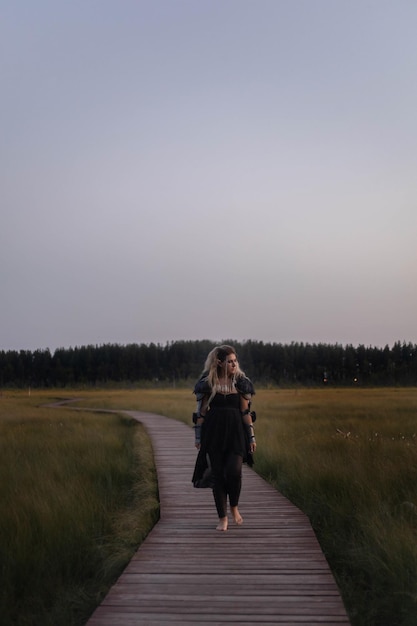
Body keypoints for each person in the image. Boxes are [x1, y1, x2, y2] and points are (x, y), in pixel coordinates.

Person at [192, 344, 256, 531]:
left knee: (234, 471)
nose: (234, 364)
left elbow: (246, 412)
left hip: (236, 433)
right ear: (219, 362)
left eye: (235, 361)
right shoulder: (207, 383)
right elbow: (201, 413)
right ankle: (222, 518)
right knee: (218, 474)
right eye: (230, 361)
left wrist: (251, 438)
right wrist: (198, 437)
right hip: (214, 433)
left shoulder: (242, 383)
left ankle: (234, 507)